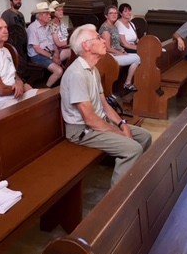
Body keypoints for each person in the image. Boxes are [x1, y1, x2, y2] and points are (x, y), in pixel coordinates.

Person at [60, 24, 152, 187]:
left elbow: (104, 104)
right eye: (98, 38)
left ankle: (130, 180)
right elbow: (89, 119)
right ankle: (117, 198)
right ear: (86, 46)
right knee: (133, 149)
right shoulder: (76, 74)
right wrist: (120, 134)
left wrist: (122, 124)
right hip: (82, 131)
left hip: (98, 122)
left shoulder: (93, 69)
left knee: (145, 137)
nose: (103, 41)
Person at [0, 17, 40, 110]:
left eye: (5, 27)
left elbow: (13, 73)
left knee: (48, 95)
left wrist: (19, 82)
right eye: (0, 28)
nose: (5, 31)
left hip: (17, 94)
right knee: (30, 111)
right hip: (1, 101)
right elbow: (1, 90)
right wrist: (22, 87)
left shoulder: (6, 50)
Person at [99, 5, 141, 91]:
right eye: (111, 13)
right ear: (106, 15)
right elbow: (107, 48)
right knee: (138, 58)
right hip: (110, 57)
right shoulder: (105, 28)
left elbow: (117, 43)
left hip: (117, 53)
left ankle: (128, 82)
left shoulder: (113, 26)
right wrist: (120, 53)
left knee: (139, 57)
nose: (114, 15)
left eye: (115, 13)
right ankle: (127, 83)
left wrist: (123, 51)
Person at [26, 2, 64, 88]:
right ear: (40, 16)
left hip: (49, 53)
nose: (50, 16)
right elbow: (37, 48)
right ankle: (45, 89)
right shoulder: (33, 28)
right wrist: (52, 57)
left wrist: (56, 54)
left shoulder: (48, 26)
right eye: (47, 14)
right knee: (58, 71)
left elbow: (53, 43)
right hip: (37, 56)